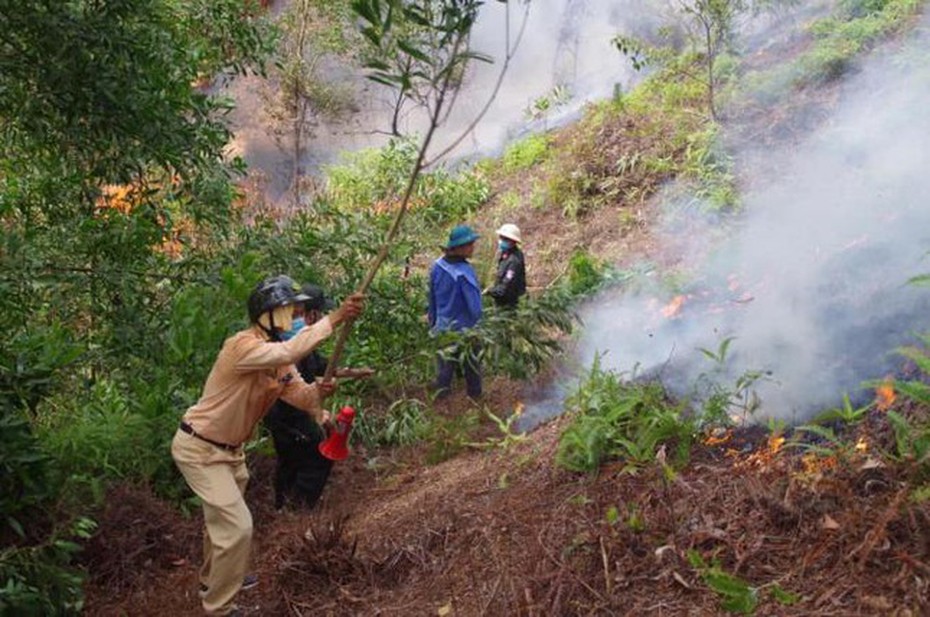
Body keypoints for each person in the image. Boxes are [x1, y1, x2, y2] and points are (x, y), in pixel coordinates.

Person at [171, 275, 364, 616]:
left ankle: (213, 579)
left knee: (221, 523)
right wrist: (335, 319)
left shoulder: (278, 360)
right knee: (238, 527)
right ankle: (219, 608)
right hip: (200, 449)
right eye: (289, 310)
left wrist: (318, 395)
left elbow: (300, 395)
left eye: (297, 311)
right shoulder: (242, 346)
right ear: (266, 314)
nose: (295, 318)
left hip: (230, 452)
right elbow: (292, 348)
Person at [263, 284, 374, 511]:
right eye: (297, 314)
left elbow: (323, 368)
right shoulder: (282, 347)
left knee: (291, 461)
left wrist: (355, 372)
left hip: (292, 413)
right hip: (287, 415)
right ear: (312, 314)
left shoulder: (306, 345)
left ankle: (283, 506)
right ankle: (298, 510)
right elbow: (294, 389)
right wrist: (316, 411)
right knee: (318, 455)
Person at [427, 224, 483, 399]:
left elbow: (432, 298)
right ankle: (475, 400)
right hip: (465, 330)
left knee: (444, 369)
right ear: (460, 248)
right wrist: (482, 326)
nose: (473, 248)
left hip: (443, 327)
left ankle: (440, 404)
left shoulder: (437, 266)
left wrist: (432, 321)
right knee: (472, 367)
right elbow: (475, 308)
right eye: (470, 245)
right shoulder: (464, 273)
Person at [486, 223, 526, 308]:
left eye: (505, 239)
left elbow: (506, 286)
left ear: (513, 241)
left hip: (509, 305)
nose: (501, 241)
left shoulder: (514, 260)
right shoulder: (506, 254)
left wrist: (490, 291)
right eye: (501, 237)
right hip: (501, 301)